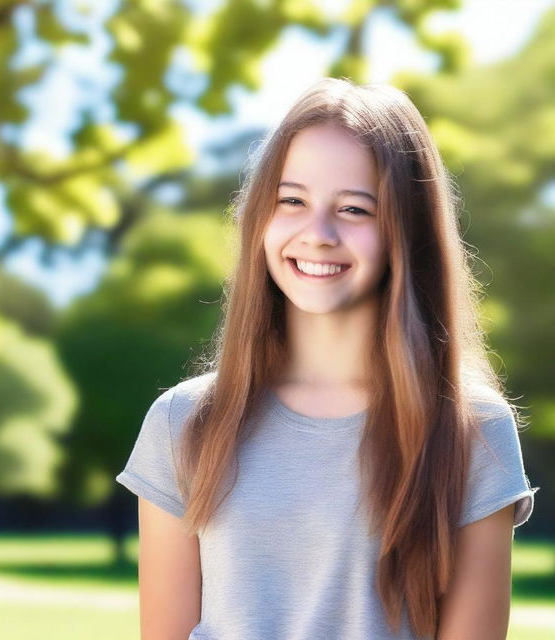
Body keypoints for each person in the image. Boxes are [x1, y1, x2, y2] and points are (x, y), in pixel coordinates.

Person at [116, 77, 538, 640]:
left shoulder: (472, 430)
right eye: (291, 201)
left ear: (405, 233)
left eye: (355, 209)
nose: (317, 234)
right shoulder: (183, 422)